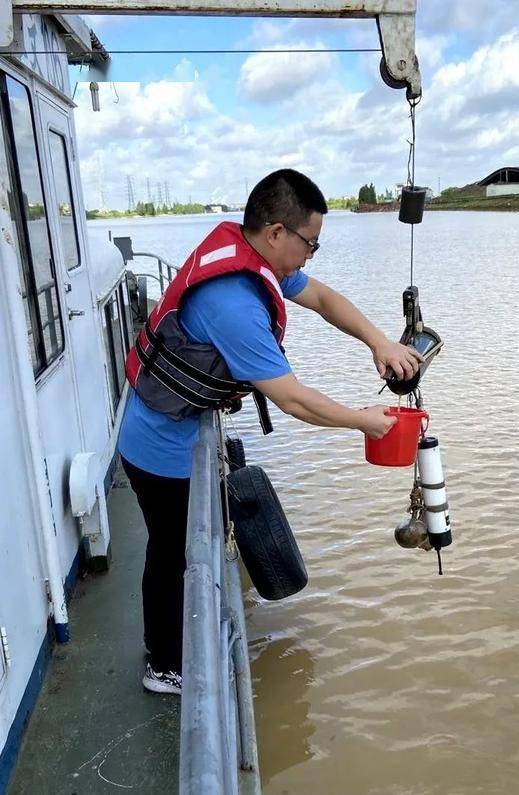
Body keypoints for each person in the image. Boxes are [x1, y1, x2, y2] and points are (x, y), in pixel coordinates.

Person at [119, 169, 423, 695]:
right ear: (278, 232)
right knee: (170, 554)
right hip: (159, 448)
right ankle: (163, 664)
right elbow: (292, 398)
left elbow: (324, 299)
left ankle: (178, 642)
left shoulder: (257, 256)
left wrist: (379, 342)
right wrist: (366, 422)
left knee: (184, 549)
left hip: (180, 429)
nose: (311, 255)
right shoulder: (233, 303)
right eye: (311, 243)